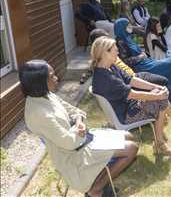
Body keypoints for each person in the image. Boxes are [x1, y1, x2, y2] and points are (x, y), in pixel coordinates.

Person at [21, 60, 138, 197]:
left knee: (128, 135)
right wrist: (79, 126)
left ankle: (99, 176)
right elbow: (69, 143)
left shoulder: (46, 95)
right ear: (39, 82)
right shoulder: (38, 114)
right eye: (51, 76)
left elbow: (74, 110)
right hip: (74, 155)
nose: (56, 77)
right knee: (131, 148)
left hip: (81, 139)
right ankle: (96, 189)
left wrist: (78, 121)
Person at [91, 37, 171, 155]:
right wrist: (158, 95)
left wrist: (155, 87)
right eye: (115, 50)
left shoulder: (109, 67)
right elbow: (132, 94)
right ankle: (166, 134)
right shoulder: (105, 78)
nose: (118, 52)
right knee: (160, 101)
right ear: (105, 53)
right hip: (125, 114)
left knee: (159, 97)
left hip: (127, 105)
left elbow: (131, 80)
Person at [114, 18, 171, 106]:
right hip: (141, 67)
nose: (130, 27)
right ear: (122, 28)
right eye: (128, 25)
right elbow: (125, 62)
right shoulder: (120, 42)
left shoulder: (127, 37)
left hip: (146, 62)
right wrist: (140, 57)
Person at [89, 28, 169, 87]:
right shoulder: (106, 63)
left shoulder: (109, 55)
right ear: (100, 43)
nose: (117, 52)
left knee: (161, 79)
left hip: (132, 75)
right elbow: (123, 85)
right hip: (132, 78)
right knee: (162, 80)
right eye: (106, 38)